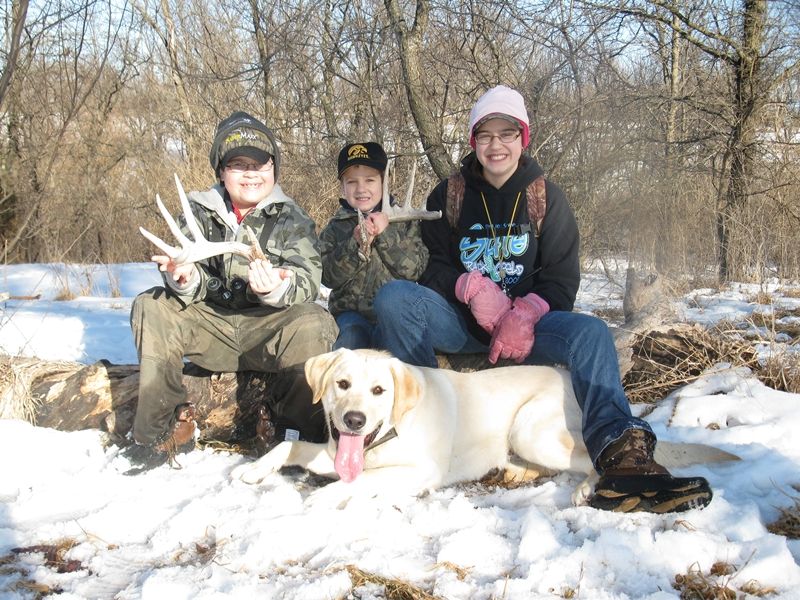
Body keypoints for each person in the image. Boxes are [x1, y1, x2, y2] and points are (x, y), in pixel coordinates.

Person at [372, 86, 712, 513]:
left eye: (506, 133)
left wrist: (526, 311)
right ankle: (419, 417)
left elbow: (562, 278)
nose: (496, 145)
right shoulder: (450, 196)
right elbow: (432, 265)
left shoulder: (545, 197)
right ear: (473, 141)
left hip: (528, 330)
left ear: (523, 138)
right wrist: (472, 289)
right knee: (395, 298)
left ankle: (620, 450)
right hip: (461, 324)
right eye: (485, 135)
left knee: (590, 333)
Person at [127, 111, 338, 470]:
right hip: (211, 328)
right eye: (239, 165)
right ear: (221, 172)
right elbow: (185, 276)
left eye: (260, 164)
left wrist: (276, 290)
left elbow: (307, 279)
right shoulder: (196, 212)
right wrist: (184, 279)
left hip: (266, 329)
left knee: (314, 321)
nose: (251, 173)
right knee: (151, 304)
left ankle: (294, 436)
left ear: (273, 169)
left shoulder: (292, 218)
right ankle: (161, 431)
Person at [320, 142, 428, 349]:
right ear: (342, 186)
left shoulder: (407, 222)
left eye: (370, 180)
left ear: (384, 181)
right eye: (351, 182)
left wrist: (385, 233)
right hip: (350, 316)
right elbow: (327, 277)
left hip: (395, 314)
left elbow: (415, 270)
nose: (361, 189)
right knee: (349, 346)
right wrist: (356, 246)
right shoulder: (336, 227)